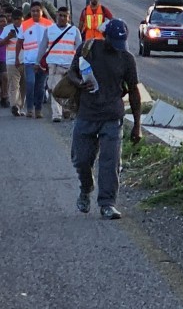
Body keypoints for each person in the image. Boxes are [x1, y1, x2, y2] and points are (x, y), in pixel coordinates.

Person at [68, 19, 141, 220]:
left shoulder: (126, 59)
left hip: (112, 116)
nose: (118, 47)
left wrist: (137, 126)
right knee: (81, 160)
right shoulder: (88, 48)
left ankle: (107, 204)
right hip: (87, 114)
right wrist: (79, 83)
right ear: (105, 36)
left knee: (110, 162)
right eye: (114, 42)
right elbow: (72, 72)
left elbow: (134, 91)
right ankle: (86, 187)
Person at [36, 6, 81, 122]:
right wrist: (37, 62)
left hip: (69, 66)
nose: (62, 18)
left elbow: (80, 49)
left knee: (69, 90)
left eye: (64, 16)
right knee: (55, 90)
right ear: (56, 16)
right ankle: (56, 114)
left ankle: (67, 110)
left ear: (68, 17)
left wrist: (80, 64)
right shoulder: (49, 30)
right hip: (54, 66)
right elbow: (42, 47)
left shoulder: (74, 31)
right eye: (60, 15)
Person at [16, 1, 53, 119]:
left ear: (42, 12)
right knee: (30, 83)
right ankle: (29, 108)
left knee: (40, 86)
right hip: (29, 61)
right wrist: (17, 58)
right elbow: (19, 42)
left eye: (38, 10)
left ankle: (38, 109)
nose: (35, 13)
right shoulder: (24, 25)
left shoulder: (49, 25)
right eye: (33, 11)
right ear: (30, 12)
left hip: (43, 61)